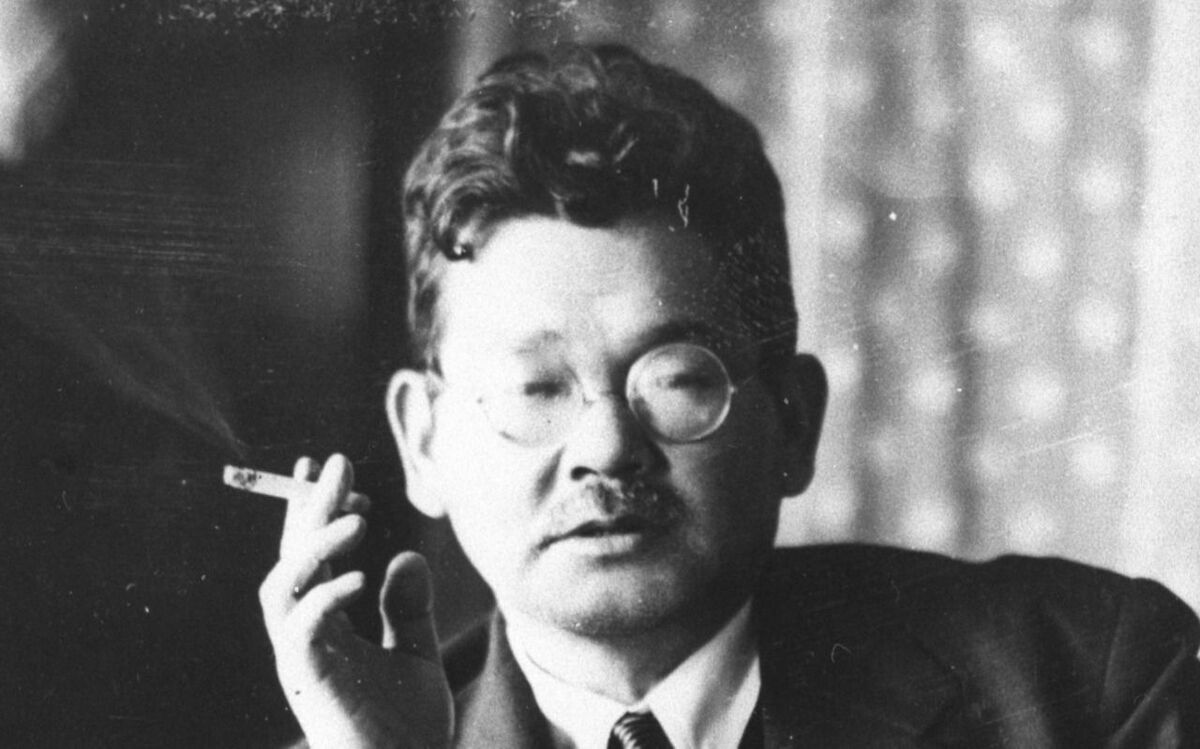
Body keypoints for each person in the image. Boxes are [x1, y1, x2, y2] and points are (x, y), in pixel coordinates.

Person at [258, 44, 1200, 748]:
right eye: (537, 387)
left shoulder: (1092, 683)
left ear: (793, 418)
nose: (606, 447)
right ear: (423, 440)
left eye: (676, 378)